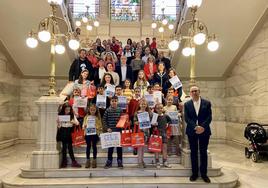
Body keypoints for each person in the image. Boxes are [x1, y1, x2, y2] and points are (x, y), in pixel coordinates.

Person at [184, 86, 212, 183]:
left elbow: (209, 117)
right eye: (192, 91)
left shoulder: (207, 103)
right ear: (190, 93)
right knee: (194, 152)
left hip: (204, 131)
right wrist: (196, 127)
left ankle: (204, 174)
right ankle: (194, 173)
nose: (194, 92)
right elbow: (187, 118)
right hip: (192, 131)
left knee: (203, 152)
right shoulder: (187, 104)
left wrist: (202, 127)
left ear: (199, 92)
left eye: (196, 91)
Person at [57, 103, 81, 168]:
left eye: (69, 110)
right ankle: (64, 161)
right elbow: (58, 126)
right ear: (63, 109)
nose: (67, 111)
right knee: (64, 148)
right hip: (63, 131)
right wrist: (58, 123)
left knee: (70, 147)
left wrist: (73, 122)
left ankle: (73, 162)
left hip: (69, 131)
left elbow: (77, 123)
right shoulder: (60, 115)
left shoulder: (72, 115)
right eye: (66, 110)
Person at [103, 96, 123, 169]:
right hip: (110, 133)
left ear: (117, 102)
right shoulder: (107, 110)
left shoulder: (120, 110)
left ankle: (120, 161)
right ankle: (109, 161)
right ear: (110, 102)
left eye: (115, 101)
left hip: (118, 132)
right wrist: (107, 128)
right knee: (110, 148)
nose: (114, 102)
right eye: (112, 101)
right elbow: (104, 120)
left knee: (119, 148)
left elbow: (122, 120)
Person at [83, 104, 103, 168]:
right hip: (88, 134)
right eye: (91, 110)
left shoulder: (97, 117)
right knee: (88, 147)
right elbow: (83, 125)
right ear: (89, 110)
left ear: (96, 110)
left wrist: (96, 127)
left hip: (95, 134)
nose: (92, 111)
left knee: (94, 146)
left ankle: (94, 160)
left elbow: (100, 127)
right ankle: (88, 160)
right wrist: (84, 126)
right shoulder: (86, 117)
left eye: (94, 110)